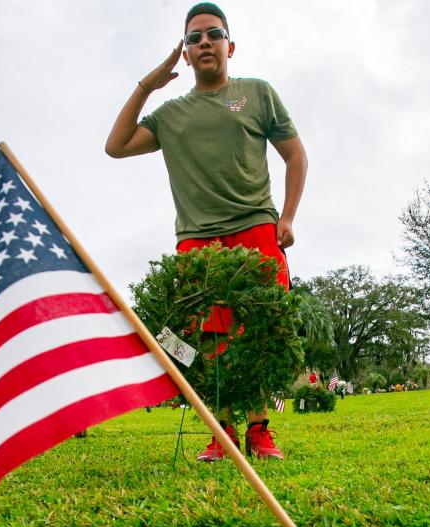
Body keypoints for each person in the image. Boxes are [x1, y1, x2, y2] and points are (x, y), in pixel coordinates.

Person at [105, 2, 307, 461]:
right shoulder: (170, 115)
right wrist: (146, 85)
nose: (204, 43)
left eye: (213, 34)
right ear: (186, 53)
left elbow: (296, 156)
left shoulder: (257, 94)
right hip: (197, 240)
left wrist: (287, 217)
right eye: (194, 38)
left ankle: (259, 430)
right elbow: (115, 146)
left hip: (256, 228)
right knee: (210, 337)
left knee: (261, 331)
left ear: (229, 45)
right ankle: (223, 434)